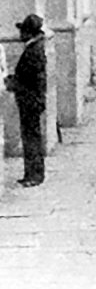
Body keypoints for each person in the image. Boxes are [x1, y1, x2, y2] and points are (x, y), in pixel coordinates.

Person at [5, 14, 47, 186]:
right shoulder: (35, 49)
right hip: (33, 99)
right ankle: (33, 173)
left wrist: (12, 83)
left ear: (28, 33)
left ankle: (34, 175)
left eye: (22, 31)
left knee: (31, 138)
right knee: (32, 137)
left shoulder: (32, 52)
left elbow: (28, 80)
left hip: (29, 100)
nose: (20, 35)